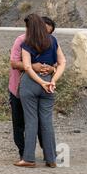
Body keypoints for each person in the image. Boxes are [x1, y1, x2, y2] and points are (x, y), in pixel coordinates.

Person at [14, 14, 66, 168]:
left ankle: (28, 159)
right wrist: (52, 80)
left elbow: (28, 67)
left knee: (31, 121)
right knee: (47, 121)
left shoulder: (27, 42)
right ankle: (51, 159)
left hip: (31, 84)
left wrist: (40, 81)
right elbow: (62, 62)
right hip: (49, 84)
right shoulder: (53, 40)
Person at [9, 17, 57, 159]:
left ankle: (47, 153)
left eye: (49, 33)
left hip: (41, 88)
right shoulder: (22, 40)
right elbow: (13, 63)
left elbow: (56, 63)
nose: (46, 36)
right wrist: (32, 67)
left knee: (42, 122)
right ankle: (24, 154)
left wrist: (51, 69)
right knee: (20, 123)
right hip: (18, 87)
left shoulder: (50, 41)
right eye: (45, 31)